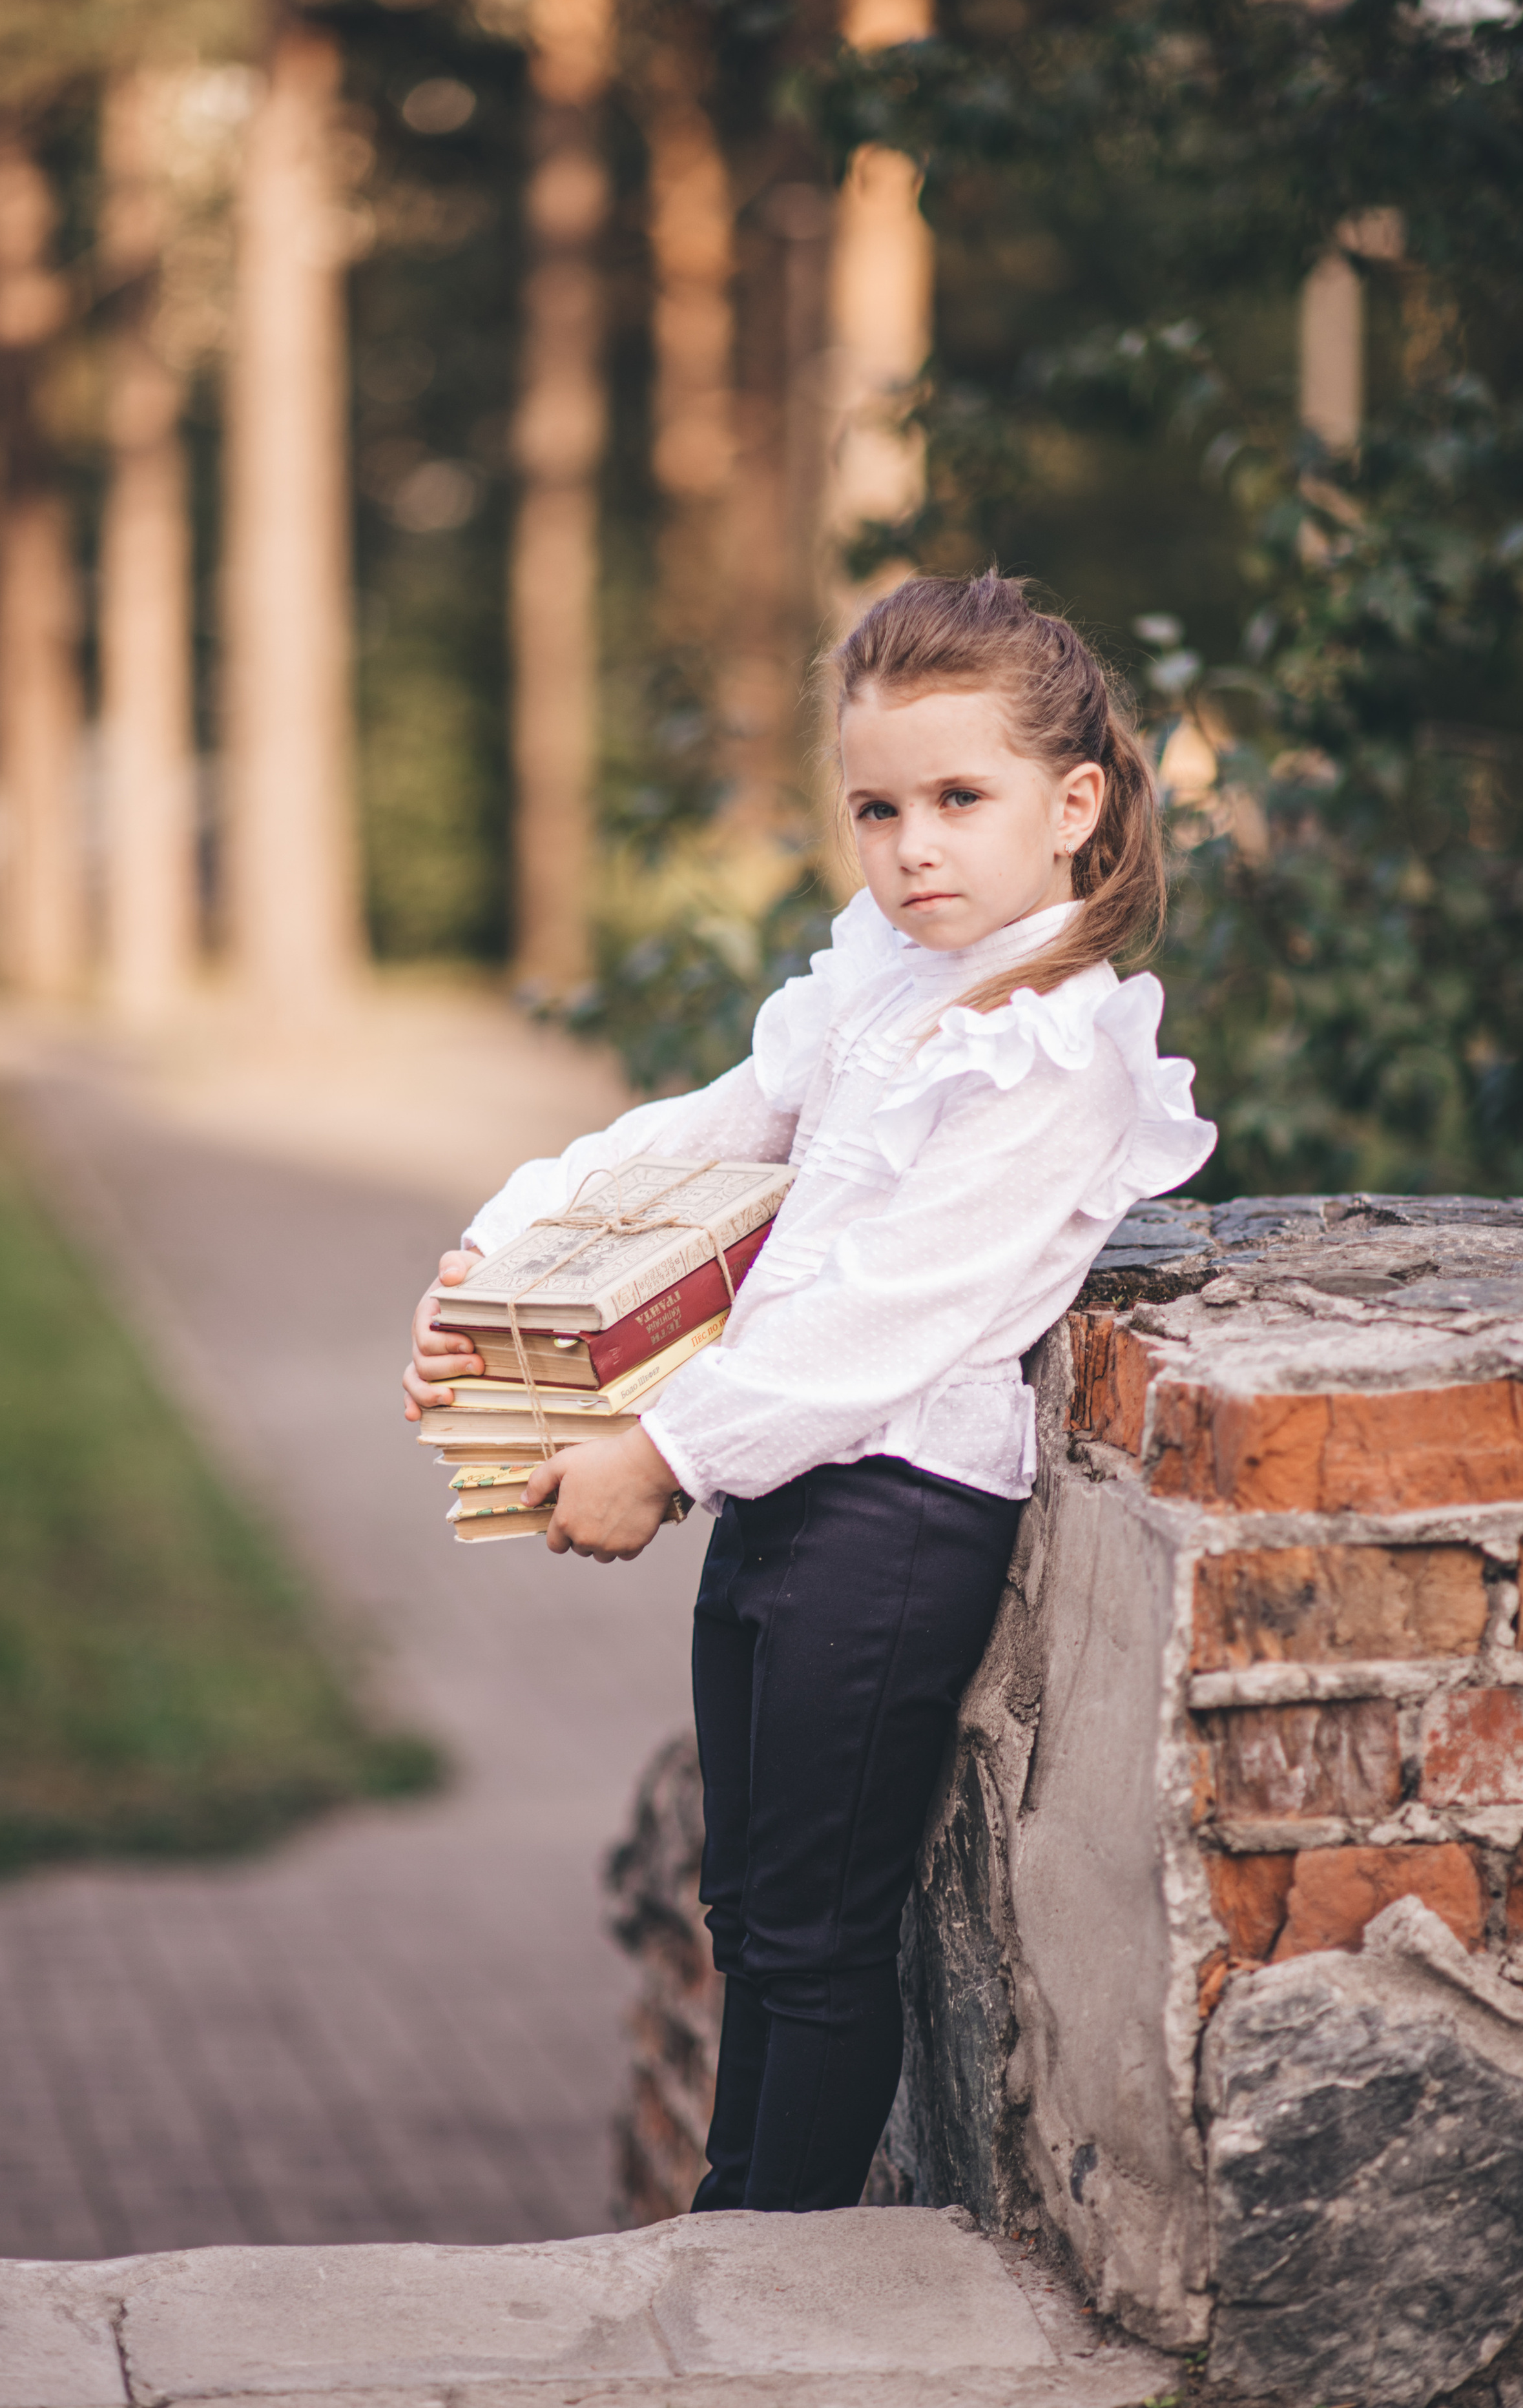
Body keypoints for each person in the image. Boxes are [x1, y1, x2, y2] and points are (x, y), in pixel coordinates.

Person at [401, 569, 1216, 2214]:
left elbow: (888, 1316)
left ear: (1071, 807)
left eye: (955, 800)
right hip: (790, 1494)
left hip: (895, 1515)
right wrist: (501, 1251)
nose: (911, 845)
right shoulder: (885, 982)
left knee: (819, 1935)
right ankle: (728, 2239)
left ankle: (768, 2265)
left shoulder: (1050, 1049)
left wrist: (663, 1451)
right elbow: (718, 1120)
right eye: (875, 808)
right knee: (747, 1913)